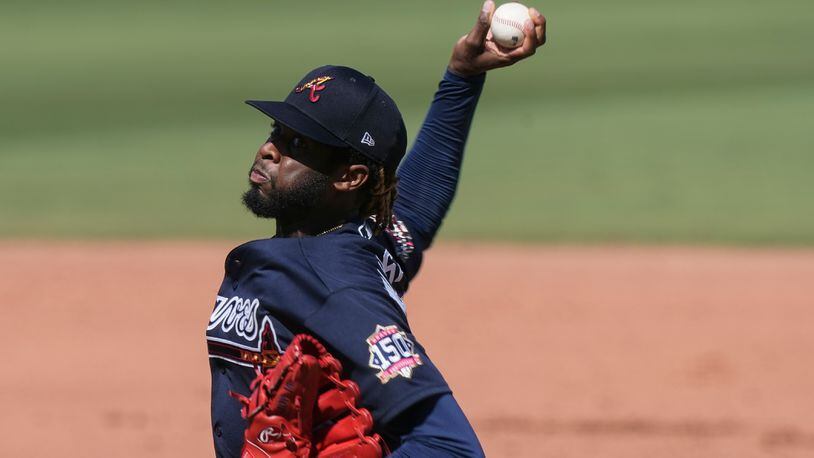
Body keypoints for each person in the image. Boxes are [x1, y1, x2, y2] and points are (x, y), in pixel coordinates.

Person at [206, 2, 546, 456]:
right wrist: (461, 78)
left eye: (297, 144)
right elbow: (416, 211)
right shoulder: (367, 243)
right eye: (277, 131)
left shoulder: (339, 286)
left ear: (350, 177)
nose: (270, 149)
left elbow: (452, 447)